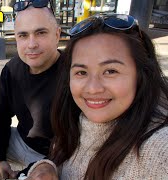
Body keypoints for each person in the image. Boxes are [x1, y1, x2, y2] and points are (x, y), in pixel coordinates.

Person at [24, 13, 168, 179]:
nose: (93, 89)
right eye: (81, 72)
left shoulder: (160, 150)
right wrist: (46, 167)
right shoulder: (74, 121)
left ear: (141, 75)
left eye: (110, 71)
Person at [0, 0, 64, 178]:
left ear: (57, 34)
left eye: (40, 33)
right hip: (20, 143)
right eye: (23, 35)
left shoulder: (75, 72)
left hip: (59, 157)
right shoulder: (11, 69)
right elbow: (1, 116)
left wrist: (27, 172)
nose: (31, 44)